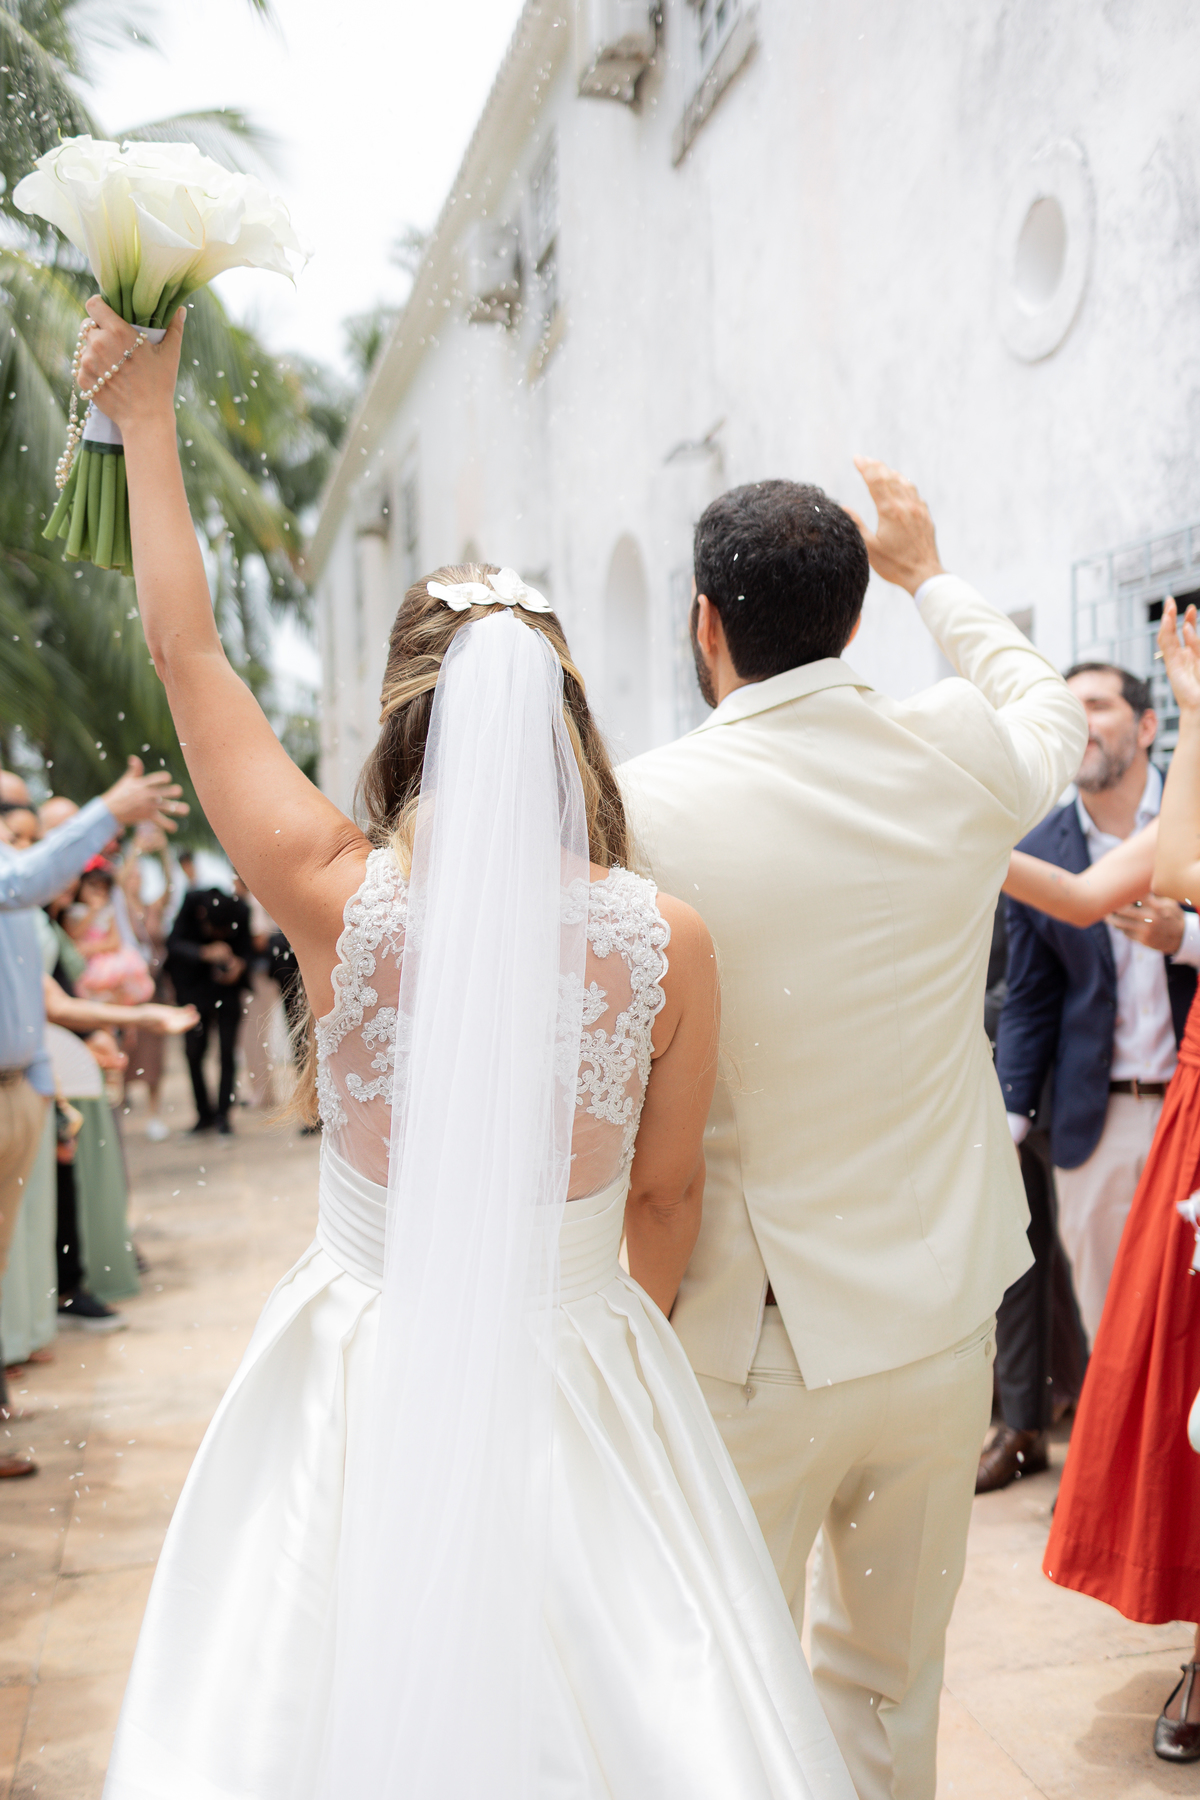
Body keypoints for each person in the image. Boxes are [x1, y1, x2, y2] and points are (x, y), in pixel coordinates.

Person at [86, 296, 856, 1799]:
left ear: (406, 714)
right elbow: (665, 1199)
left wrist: (147, 420)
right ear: (565, 715)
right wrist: (589, 1334)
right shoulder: (667, 940)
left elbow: (188, 656)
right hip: (584, 1352)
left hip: (362, 1348)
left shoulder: (334, 895)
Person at [617, 464, 1087, 1800]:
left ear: (706, 622)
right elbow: (1047, 704)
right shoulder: (954, 753)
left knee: (728, 1698)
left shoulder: (638, 808)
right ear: (857, 618)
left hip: (746, 1339)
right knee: (887, 1690)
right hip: (938, 1322)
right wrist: (932, 571)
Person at [1004, 600, 1200, 1762]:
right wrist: (936, 830)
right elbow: (1086, 899)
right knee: (1173, 1381)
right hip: (1171, 1120)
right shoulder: (1173, 803)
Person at [995, 663, 1198, 1397]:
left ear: (1147, 726)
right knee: (1113, 1330)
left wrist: (1184, 937)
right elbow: (1030, 997)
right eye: (1068, 707)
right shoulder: (1040, 844)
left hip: (1190, 1107)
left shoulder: (1188, 814)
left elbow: (1082, 901)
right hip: (1095, 1117)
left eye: (1097, 705)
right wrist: (1008, 1119)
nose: (1079, 721)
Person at [0, 757, 187, 1475]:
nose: (19, 835)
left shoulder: (19, 907)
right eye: (13, 820)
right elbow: (25, 881)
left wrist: (42, 1094)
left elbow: (37, 1003)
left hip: (21, 1092)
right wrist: (111, 810)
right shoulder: (17, 885)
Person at [167, 884, 251, 1134]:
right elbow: (173, 944)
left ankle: (224, 1115)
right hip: (193, 989)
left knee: (227, 1052)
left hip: (228, 991)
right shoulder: (191, 903)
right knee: (193, 1052)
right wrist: (203, 953)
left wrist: (239, 965)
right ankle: (204, 1114)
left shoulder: (241, 910)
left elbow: (248, 950)